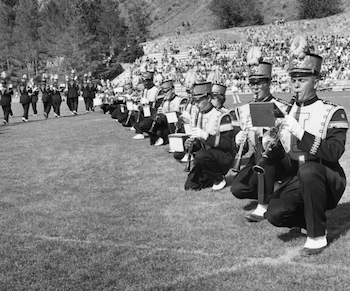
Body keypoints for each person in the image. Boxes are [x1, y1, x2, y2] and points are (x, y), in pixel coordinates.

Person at [264, 36, 348, 256]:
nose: (295, 84)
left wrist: (300, 132)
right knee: (275, 213)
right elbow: (287, 159)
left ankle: (317, 236)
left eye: (302, 79)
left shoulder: (333, 111)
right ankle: (310, 219)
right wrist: (270, 148)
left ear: (316, 81)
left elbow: (334, 151)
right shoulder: (287, 112)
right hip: (300, 176)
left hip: (327, 176)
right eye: (293, 78)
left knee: (309, 169)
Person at [230, 47, 290, 222]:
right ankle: (274, 190)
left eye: (260, 83)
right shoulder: (243, 110)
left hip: (278, 159)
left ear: (269, 83)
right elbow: (244, 147)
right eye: (252, 83)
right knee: (238, 188)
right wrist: (238, 139)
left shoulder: (281, 107)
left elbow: (287, 141)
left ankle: (263, 204)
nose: (255, 87)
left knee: (265, 153)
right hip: (256, 158)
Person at [184, 82, 237, 191]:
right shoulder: (198, 114)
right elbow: (200, 144)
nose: (196, 104)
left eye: (199, 100)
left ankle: (218, 179)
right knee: (190, 185)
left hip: (223, 156)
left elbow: (227, 144)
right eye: (195, 101)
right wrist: (190, 144)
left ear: (208, 98)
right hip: (207, 157)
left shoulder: (222, 115)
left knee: (201, 155)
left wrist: (206, 136)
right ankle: (210, 176)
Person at [148, 79, 187, 146]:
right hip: (166, 125)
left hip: (176, 125)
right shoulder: (165, 102)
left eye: (166, 91)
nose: (165, 94)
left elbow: (181, 115)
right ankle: (153, 132)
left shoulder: (180, 100)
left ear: (173, 90)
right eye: (163, 92)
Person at [132, 71, 160, 140]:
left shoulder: (157, 90)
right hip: (144, 110)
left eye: (147, 81)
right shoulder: (145, 90)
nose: (146, 83)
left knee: (142, 125)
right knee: (135, 115)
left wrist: (149, 102)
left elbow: (157, 104)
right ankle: (139, 132)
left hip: (152, 113)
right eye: (144, 81)